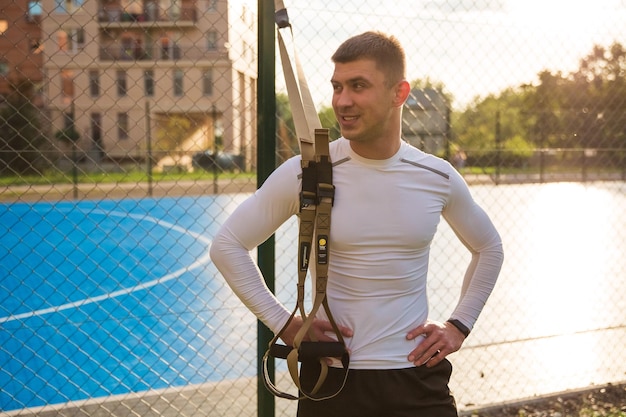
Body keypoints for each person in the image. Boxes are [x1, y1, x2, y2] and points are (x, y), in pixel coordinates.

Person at [210, 31, 504, 417]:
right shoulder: (308, 171)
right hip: (332, 380)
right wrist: (283, 323)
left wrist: (459, 325)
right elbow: (227, 245)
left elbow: (489, 248)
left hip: (416, 378)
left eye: (358, 86)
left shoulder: (436, 176)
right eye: (337, 87)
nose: (342, 101)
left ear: (400, 93)